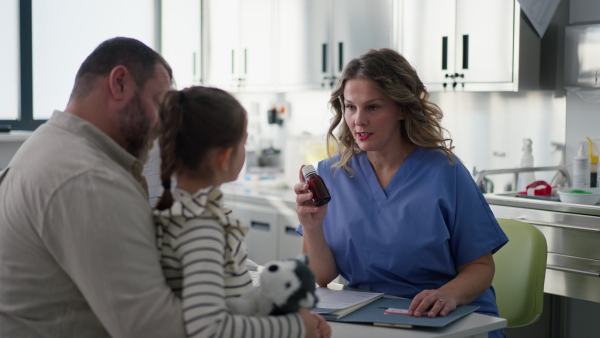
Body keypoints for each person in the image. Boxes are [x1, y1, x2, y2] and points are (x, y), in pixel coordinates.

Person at [294, 48, 509, 338]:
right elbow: (321, 276)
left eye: (373, 107)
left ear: (402, 108)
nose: (358, 120)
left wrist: (448, 295)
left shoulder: (445, 172)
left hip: (445, 318)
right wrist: (312, 226)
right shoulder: (332, 174)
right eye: (350, 107)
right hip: (365, 319)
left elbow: (480, 266)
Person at [0, 37, 187, 337]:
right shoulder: (88, 179)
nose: (163, 124)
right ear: (120, 83)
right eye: (159, 103)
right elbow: (156, 329)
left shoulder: (47, 144)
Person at [153, 86, 331, 338]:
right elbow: (209, 328)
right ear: (225, 157)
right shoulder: (201, 228)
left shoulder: (182, 212)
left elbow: (228, 302)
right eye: (243, 142)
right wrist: (294, 328)